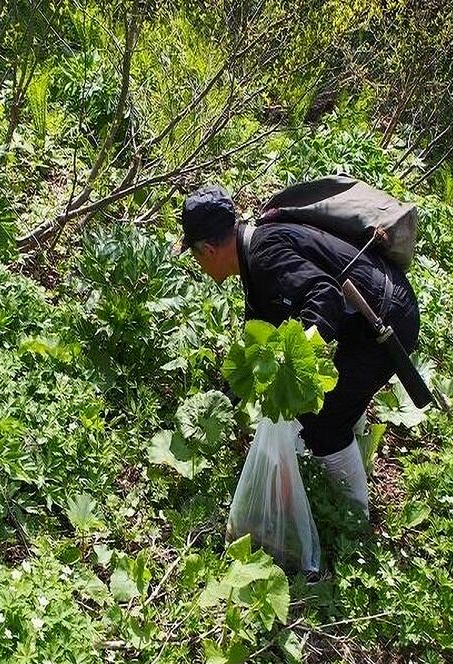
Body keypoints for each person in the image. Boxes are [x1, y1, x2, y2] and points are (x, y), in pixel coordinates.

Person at [180, 184, 421, 518]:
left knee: (323, 423)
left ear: (207, 250)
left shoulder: (265, 255)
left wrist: (294, 356)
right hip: (378, 307)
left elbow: (325, 296)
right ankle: (354, 438)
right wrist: (223, 402)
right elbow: (260, 332)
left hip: (386, 319)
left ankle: (354, 518)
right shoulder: (258, 250)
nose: (199, 265)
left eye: (193, 255)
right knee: (333, 393)